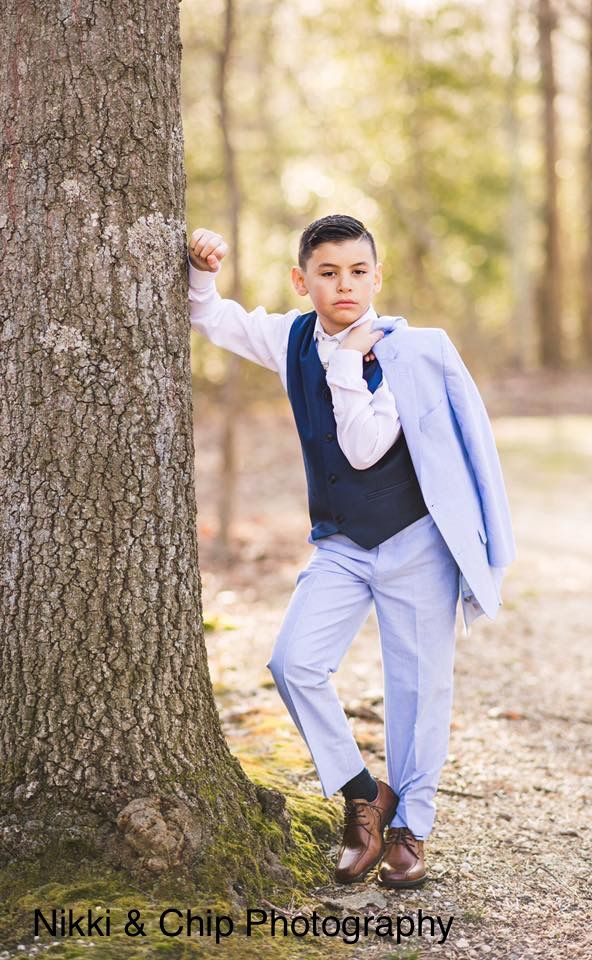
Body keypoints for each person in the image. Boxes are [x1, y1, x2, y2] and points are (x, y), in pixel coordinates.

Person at [187, 214, 515, 888]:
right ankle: (362, 794)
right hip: (341, 544)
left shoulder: (406, 353)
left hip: (416, 541)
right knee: (293, 662)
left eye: (358, 271)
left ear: (378, 275)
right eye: (328, 272)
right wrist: (202, 268)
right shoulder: (291, 337)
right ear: (300, 280)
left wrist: (347, 361)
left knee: (418, 691)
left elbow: (366, 446)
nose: (345, 285)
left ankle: (410, 829)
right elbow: (212, 317)